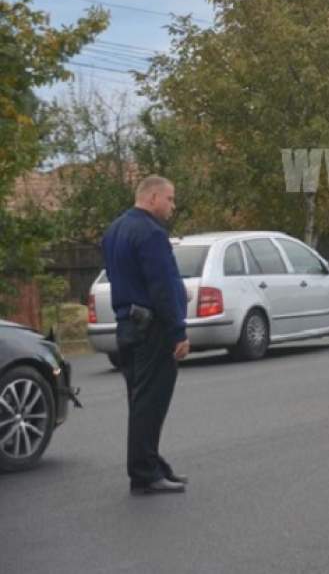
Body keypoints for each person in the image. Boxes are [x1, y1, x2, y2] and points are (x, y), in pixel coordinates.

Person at [101, 175, 190, 495]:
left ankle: (152, 463)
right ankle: (144, 473)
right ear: (152, 197)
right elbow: (162, 284)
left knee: (139, 402)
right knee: (151, 403)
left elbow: (117, 276)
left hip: (126, 325)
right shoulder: (151, 233)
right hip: (152, 329)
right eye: (170, 199)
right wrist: (178, 330)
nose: (172, 205)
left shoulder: (114, 231)